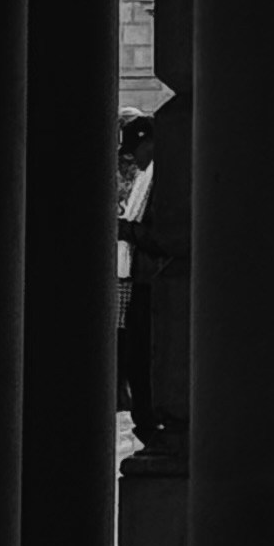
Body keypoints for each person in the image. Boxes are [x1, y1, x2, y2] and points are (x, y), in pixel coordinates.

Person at [115, 111, 160, 439]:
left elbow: (164, 235)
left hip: (149, 280)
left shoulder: (159, 174)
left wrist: (125, 230)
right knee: (134, 356)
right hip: (139, 278)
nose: (133, 160)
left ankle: (148, 420)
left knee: (140, 357)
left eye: (135, 152)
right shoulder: (149, 174)